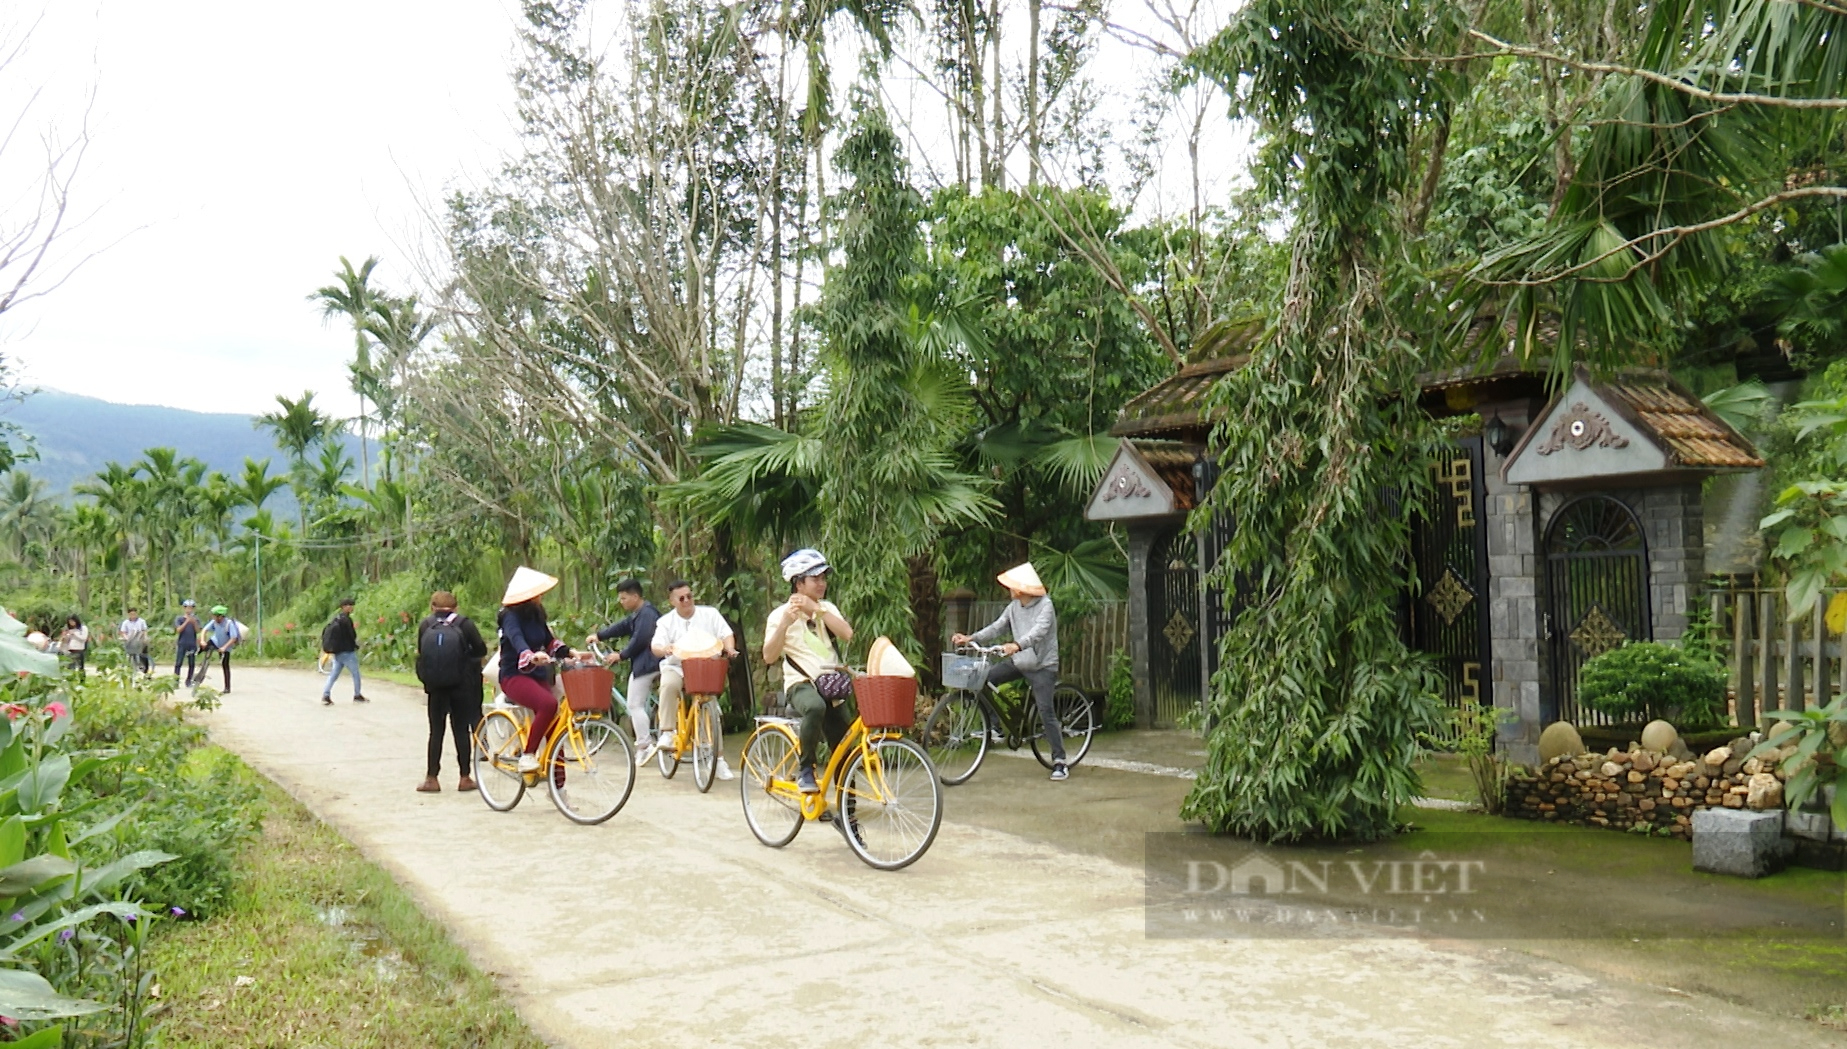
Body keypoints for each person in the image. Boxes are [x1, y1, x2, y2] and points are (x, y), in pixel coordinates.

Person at [952, 562, 1067, 781]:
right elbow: (997, 626)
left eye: (1013, 586)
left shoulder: (1045, 606)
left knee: (1045, 710)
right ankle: (996, 728)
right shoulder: (1014, 607)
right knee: (982, 679)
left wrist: (1018, 644)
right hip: (1019, 661)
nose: (1010, 589)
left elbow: (1039, 631)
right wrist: (971, 638)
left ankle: (1059, 760)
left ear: (1022, 588)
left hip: (1042, 666)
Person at [761, 549, 854, 795]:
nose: (822, 583)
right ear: (799, 583)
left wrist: (817, 609)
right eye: (816, 579)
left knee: (845, 745)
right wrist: (784, 625)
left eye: (824, 578)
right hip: (800, 684)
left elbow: (847, 634)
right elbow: (769, 656)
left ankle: (848, 808)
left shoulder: (827, 608)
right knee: (814, 707)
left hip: (831, 684)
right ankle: (806, 770)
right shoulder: (779, 615)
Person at [649, 579, 737, 780]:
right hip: (677, 666)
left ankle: (719, 759)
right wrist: (665, 649)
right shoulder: (666, 622)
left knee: (711, 705)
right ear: (672, 601)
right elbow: (656, 646)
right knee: (669, 684)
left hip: (704, 666)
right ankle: (667, 731)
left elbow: (726, 634)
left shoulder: (710, 614)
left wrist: (729, 648)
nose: (687, 601)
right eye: (681, 598)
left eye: (689, 596)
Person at [497, 567, 571, 774]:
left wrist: (570, 652)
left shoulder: (536, 613)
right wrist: (528, 654)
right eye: (537, 592)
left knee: (556, 728)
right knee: (549, 704)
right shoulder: (510, 616)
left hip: (538, 674)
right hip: (514, 675)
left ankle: (558, 787)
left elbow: (548, 640)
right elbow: (516, 638)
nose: (541, 596)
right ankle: (527, 755)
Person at [416, 591, 489, 793]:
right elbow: (481, 650)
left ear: (432, 606)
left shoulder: (426, 625)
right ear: (455, 607)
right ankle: (464, 778)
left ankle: (432, 778)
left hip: (436, 688)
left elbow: (422, 653)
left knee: (436, 731)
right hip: (461, 686)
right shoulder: (464, 624)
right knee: (461, 731)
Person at [587, 578, 662, 762]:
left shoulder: (647, 614)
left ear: (635, 596)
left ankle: (645, 745)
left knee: (634, 704)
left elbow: (641, 638)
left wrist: (621, 655)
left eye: (624, 598)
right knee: (640, 703)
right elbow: (622, 627)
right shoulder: (640, 613)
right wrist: (599, 635)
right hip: (649, 663)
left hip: (648, 664)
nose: (621, 602)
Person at [319, 597, 367, 705]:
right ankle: (357, 694)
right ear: (344, 607)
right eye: (349, 605)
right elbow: (351, 635)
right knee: (355, 674)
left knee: (334, 674)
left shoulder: (336, 619)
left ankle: (326, 694)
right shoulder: (346, 620)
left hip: (337, 651)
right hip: (347, 652)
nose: (351, 607)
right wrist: (355, 645)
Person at [197, 605, 242, 692]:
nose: (213, 617)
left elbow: (233, 638)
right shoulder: (214, 622)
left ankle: (227, 687)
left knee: (225, 665)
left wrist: (224, 647)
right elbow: (204, 630)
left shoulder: (229, 624)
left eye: (215, 616)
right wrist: (202, 641)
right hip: (216, 641)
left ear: (220, 616)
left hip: (226, 646)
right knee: (205, 646)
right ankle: (200, 664)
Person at [173, 600, 201, 683]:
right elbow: (178, 630)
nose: (189, 610)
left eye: (191, 608)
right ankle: (176, 680)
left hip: (192, 643)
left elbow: (198, 630)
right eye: (188, 608)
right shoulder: (179, 619)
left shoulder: (196, 619)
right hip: (182, 643)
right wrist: (187, 621)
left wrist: (194, 622)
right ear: (184, 608)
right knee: (179, 663)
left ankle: (189, 680)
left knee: (191, 663)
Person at [118, 607, 150, 675]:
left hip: (140, 642)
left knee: (144, 655)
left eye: (134, 614)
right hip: (130, 642)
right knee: (128, 654)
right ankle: (127, 670)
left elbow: (144, 631)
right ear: (129, 614)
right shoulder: (125, 623)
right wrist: (126, 637)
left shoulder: (141, 621)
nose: (133, 616)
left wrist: (145, 638)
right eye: (131, 614)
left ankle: (146, 673)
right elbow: (123, 632)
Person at [59, 615, 89, 680]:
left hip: (79, 649)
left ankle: (82, 680)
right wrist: (65, 636)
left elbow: (83, 638)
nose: (71, 623)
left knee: (80, 667)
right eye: (70, 622)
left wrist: (74, 634)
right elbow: (67, 641)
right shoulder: (70, 629)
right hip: (70, 649)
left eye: (72, 621)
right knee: (70, 667)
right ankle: (71, 680)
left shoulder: (83, 628)